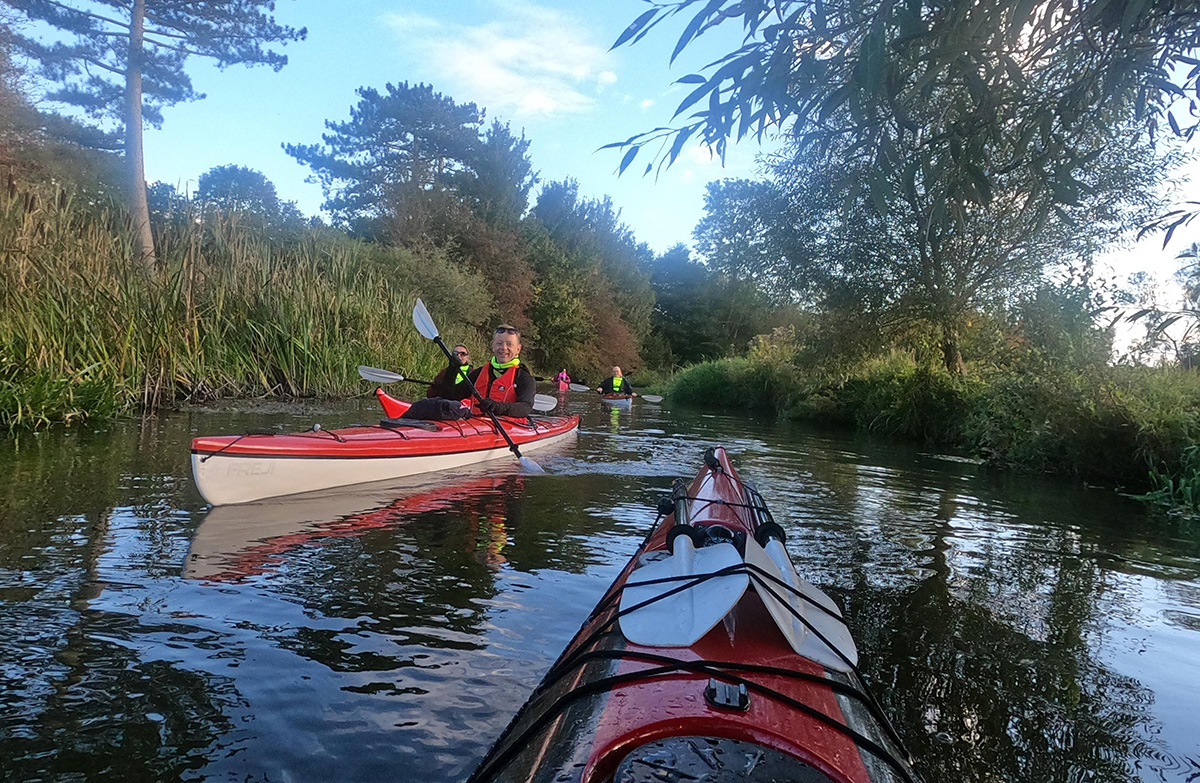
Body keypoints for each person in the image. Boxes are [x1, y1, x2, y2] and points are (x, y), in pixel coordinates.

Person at [439, 324, 536, 418]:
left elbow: (525, 407)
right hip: (477, 426)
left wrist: (498, 407)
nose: (504, 348)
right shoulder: (479, 373)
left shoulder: (524, 377)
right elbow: (450, 395)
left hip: (509, 429)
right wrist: (452, 369)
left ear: (518, 349)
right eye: (499, 343)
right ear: (493, 346)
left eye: (509, 344)